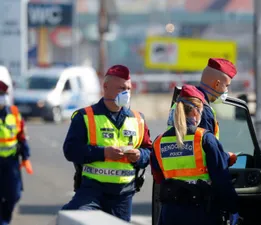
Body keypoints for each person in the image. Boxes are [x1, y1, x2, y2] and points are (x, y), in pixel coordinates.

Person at [61, 65, 152, 222]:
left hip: (123, 195)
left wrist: (139, 156)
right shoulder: (84, 116)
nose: (126, 93)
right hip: (92, 191)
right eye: (121, 88)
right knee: (72, 218)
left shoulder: (138, 119)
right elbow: (70, 150)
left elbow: (149, 151)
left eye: (129, 89)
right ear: (105, 87)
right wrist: (103, 153)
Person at [151, 84, 240, 225]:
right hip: (201, 213)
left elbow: (158, 177)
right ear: (195, 111)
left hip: (170, 214)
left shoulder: (159, 142)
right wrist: (233, 208)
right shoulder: (205, 138)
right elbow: (221, 179)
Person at [167, 58, 237, 140]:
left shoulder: (179, 102)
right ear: (217, 84)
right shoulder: (202, 109)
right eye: (226, 86)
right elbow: (207, 145)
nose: (226, 90)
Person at [0, 80, 33, 225]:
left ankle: (4, 219)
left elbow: (22, 136)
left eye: (4, 94)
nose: (3, 97)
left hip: (11, 162)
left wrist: (25, 157)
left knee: (14, 195)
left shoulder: (13, 112)